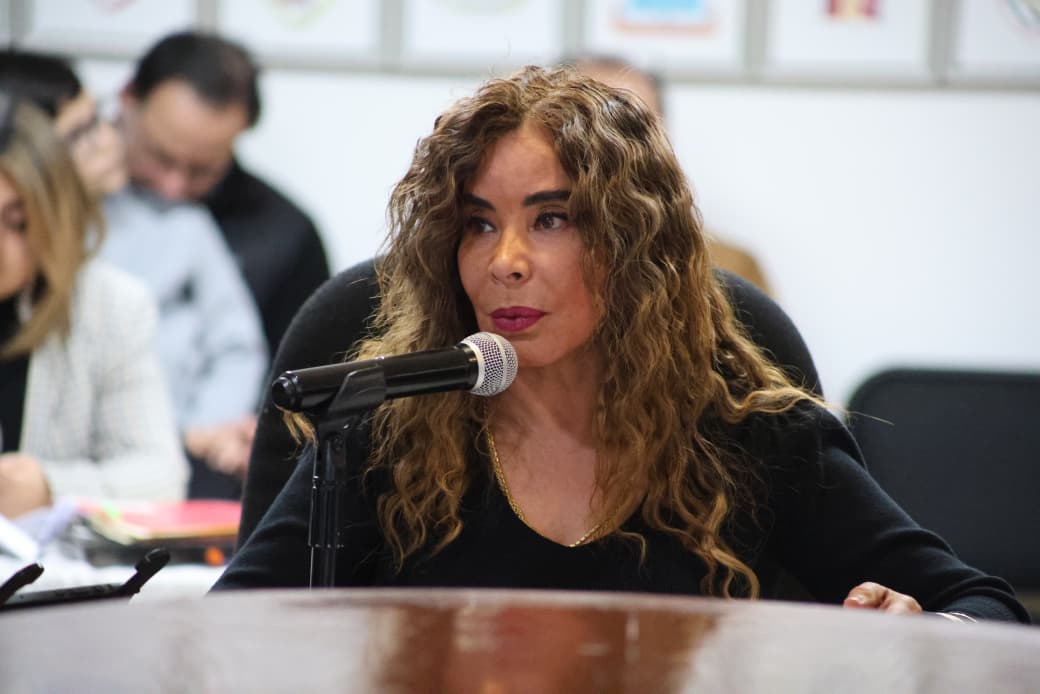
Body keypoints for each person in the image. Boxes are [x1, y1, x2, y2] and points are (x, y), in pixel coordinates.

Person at [214, 66, 1027, 624]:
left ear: (633, 243)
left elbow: (986, 609)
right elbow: (231, 632)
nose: (505, 262)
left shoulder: (747, 433)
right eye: (478, 225)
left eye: (552, 219)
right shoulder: (390, 432)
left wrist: (920, 629)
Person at [0, 50, 268, 498]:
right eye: (80, 133)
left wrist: (200, 430)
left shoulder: (115, 291)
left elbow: (236, 346)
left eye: (18, 221)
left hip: (170, 452)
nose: (105, 141)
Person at [0, 91, 186, 518]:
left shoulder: (109, 305)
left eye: (17, 222)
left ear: (54, 216)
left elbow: (161, 478)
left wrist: (48, 486)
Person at [119, 31, 330, 359]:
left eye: (201, 170)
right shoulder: (66, 200)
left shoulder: (284, 236)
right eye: (159, 157)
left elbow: (302, 370)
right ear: (128, 99)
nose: (174, 187)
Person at [567, 55, 773, 296]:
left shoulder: (732, 268)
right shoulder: (531, 262)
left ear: (663, 140)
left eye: (632, 126)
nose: (614, 146)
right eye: (587, 127)